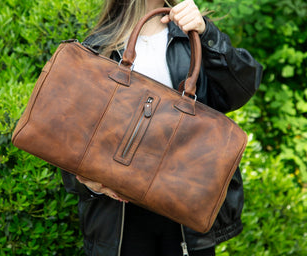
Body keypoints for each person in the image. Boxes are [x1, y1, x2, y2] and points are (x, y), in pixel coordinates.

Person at [61, 0, 263, 255]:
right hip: (118, 217)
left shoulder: (192, 35)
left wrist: (207, 33)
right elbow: (67, 139)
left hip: (185, 208)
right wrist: (88, 182)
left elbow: (243, 87)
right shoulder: (98, 47)